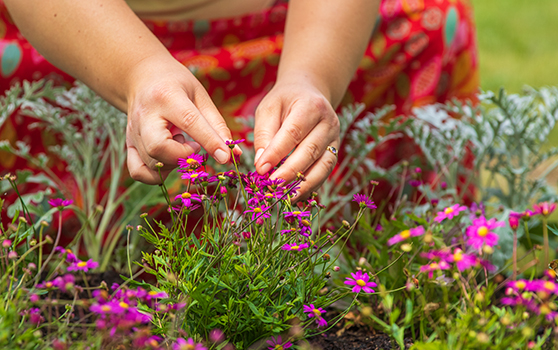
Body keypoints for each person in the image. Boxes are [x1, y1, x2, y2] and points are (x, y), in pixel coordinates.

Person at [0, 0, 479, 201]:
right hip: (79, 35)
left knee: (430, 19)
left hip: (291, 31)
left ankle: (403, 276)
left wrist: (311, 76)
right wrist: (138, 72)